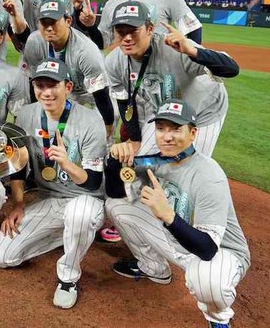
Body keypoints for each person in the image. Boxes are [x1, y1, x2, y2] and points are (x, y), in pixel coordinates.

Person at [105, 99, 250, 328]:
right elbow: (114, 192)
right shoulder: (153, 163)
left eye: (176, 128)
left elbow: (208, 248)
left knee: (207, 279)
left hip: (220, 252)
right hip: (179, 240)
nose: (167, 136)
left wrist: (169, 217)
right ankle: (154, 268)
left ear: (193, 133)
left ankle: (218, 319)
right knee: (116, 206)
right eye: (161, 128)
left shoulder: (208, 174)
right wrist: (113, 162)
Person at [0, 59, 107, 309]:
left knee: (81, 214)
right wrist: (19, 204)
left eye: (53, 85)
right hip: (51, 200)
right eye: (40, 85)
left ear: (68, 86)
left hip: (86, 199)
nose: (46, 92)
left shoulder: (90, 121)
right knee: (0, 256)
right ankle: (70, 235)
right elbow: (19, 165)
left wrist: (68, 165)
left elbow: (94, 181)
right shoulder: (26, 115)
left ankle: (68, 277)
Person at [104, 0, 239, 158]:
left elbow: (232, 69)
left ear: (150, 29)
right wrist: (135, 139)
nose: (127, 37)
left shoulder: (176, 49)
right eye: (120, 31)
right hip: (164, 110)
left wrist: (192, 51)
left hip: (203, 112)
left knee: (186, 165)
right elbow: (124, 102)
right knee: (140, 160)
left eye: (133, 30)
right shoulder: (113, 62)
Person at [23, 0, 114, 135]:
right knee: (60, 133)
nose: (48, 28)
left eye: (53, 22)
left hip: (90, 93)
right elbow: (34, 85)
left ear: (68, 21)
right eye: (44, 23)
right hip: (63, 90)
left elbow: (101, 94)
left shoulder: (86, 51)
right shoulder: (34, 42)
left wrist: (107, 127)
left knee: (97, 133)